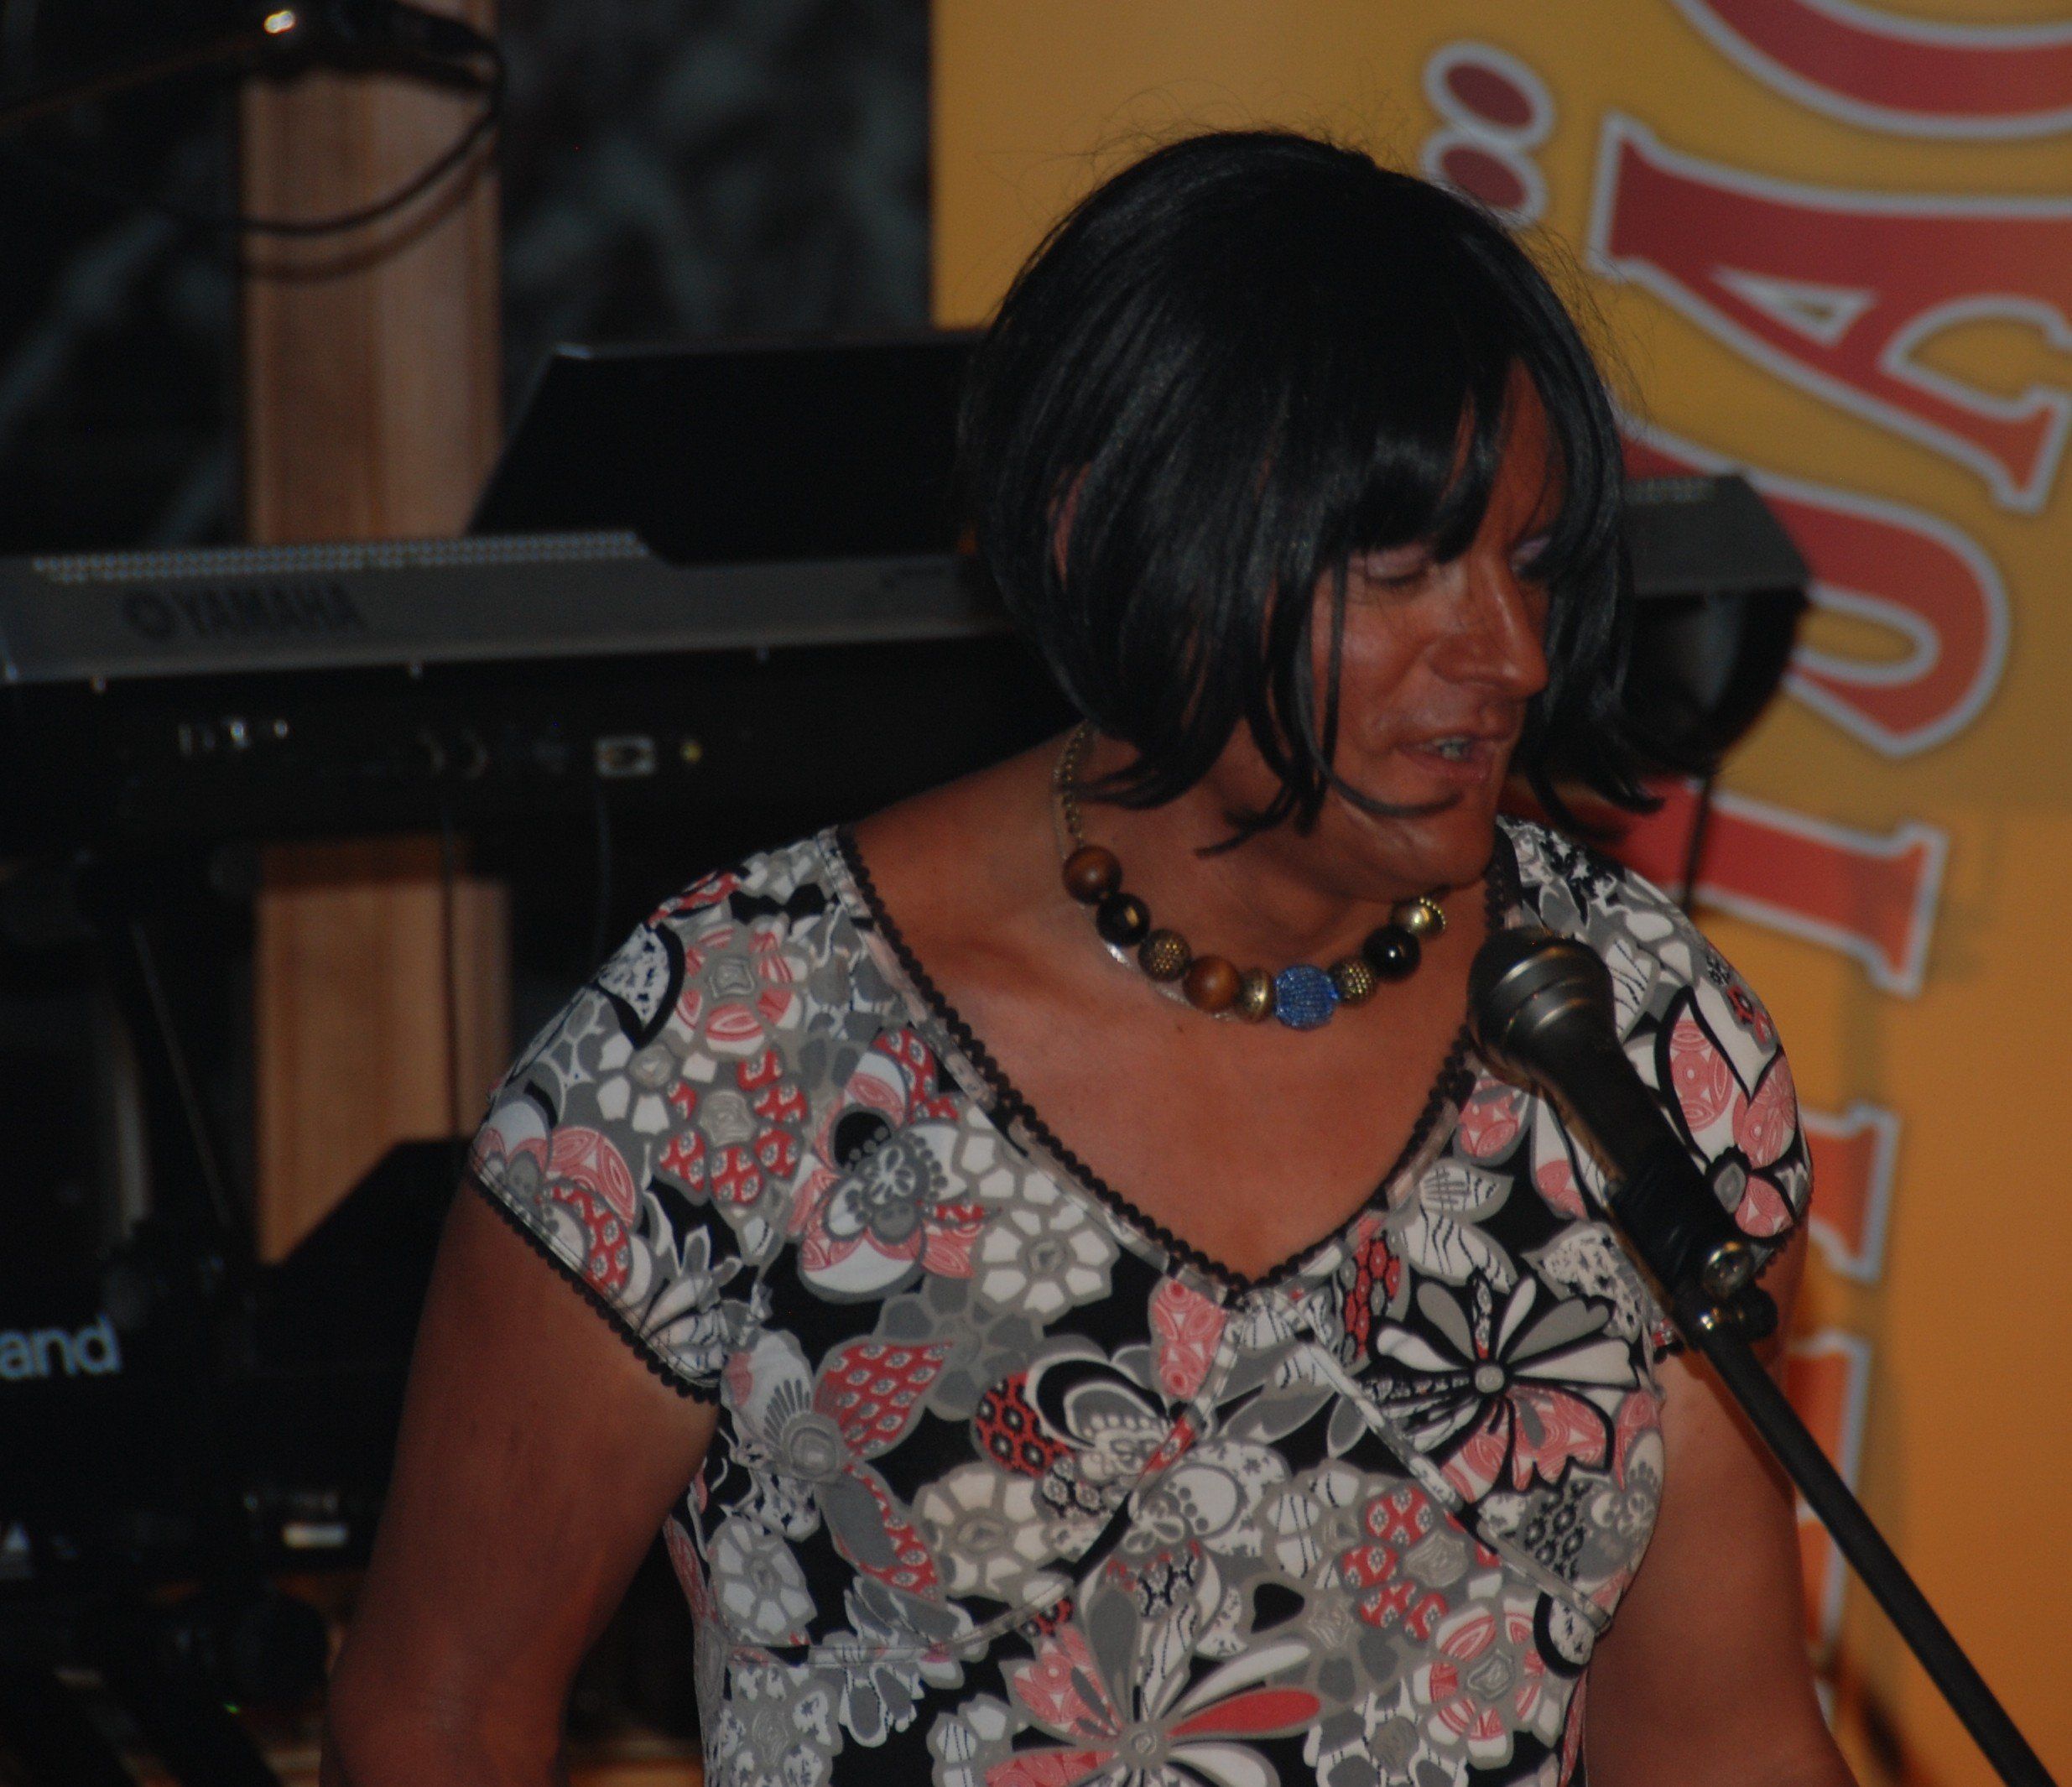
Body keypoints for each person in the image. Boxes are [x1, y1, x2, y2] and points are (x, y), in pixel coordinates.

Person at [321, 131, 1853, 1787]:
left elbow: (1720, 1745)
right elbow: (435, 1716)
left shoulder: (1636, 1033)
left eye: (1529, 566)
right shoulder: (736, 1043)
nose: (1506, 654)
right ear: (1102, 533)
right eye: (1400, 567)